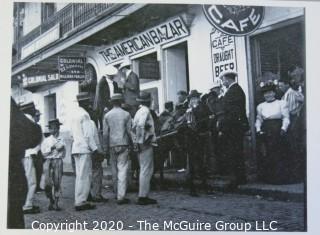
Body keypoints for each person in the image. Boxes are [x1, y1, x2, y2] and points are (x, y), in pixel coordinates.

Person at [8, 98, 42, 228]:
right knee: (31, 181)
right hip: (18, 166)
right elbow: (34, 136)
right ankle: (28, 205)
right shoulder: (22, 118)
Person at [255, 82, 290, 184]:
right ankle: (270, 179)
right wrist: (258, 129)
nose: (268, 95)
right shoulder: (261, 106)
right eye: (266, 93)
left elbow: (286, 117)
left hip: (278, 129)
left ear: (274, 93)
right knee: (268, 153)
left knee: (279, 153)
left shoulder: (281, 103)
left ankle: (281, 178)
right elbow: (259, 119)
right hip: (266, 129)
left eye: (270, 93)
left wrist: (283, 128)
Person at [70, 92, 101, 211]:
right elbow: (88, 136)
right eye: (88, 101)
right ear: (85, 102)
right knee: (85, 176)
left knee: (79, 175)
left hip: (75, 148)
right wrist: (95, 149)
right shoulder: (85, 115)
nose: (89, 103)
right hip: (84, 148)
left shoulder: (74, 114)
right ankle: (81, 201)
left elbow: (71, 134)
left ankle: (79, 199)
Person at [219, 72, 249, 188]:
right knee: (236, 152)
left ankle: (237, 178)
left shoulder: (234, 91)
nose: (223, 83)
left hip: (233, 127)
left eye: (223, 80)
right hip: (234, 126)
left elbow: (230, 112)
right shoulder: (234, 90)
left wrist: (223, 126)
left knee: (234, 153)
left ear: (227, 79)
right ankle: (239, 178)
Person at [103, 93, 133, 205]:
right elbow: (130, 131)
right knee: (122, 169)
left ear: (112, 102)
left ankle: (116, 193)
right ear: (121, 102)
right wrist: (134, 143)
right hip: (124, 144)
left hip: (112, 145)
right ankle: (121, 196)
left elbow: (105, 134)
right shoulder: (126, 114)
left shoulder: (107, 115)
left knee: (114, 170)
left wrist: (105, 148)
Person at [132, 91, 158, 205]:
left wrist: (137, 142)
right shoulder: (145, 111)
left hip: (140, 143)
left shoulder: (139, 111)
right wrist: (142, 140)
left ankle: (143, 195)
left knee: (144, 169)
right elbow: (140, 126)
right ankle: (143, 196)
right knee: (146, 170)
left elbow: (134, 127)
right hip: (145, 144)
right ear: (148, 101)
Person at [185, 90, 211, 196]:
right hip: (192, 139)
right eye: (192, 98)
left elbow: (207, 118)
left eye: (195, 98)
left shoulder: (203, 107)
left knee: (202, 163)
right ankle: (192, 188)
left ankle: (204, 186)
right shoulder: (189, 110)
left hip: (201, 138)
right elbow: (188, 124)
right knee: (192, 163)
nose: (194, 100)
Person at [20, 102, 42, 214]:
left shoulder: (19, 122)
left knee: (22, 181)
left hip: (20, 155)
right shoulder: (31, 123)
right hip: (28, 155)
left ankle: (23, 203)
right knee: (31, 181)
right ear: (31, 110)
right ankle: (28, 205)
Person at [40, 119, 65, 211]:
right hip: (48, 161)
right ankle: (51, 200)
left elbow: (61, 149)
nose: (54, 130)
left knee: (57, 182)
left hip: (58, 160)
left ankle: (56, 202)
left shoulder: (62, 139)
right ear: (49, 130)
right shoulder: (46, 140)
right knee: (47, 183)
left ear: (58, 128)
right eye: (52, 128)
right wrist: (52, 148)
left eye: (56, 128)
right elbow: (44, 153)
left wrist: (54, 148)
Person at [87, 119, 108, 203]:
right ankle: (96, 195)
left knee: (86, 174)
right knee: (97, 172)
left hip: (82, 150)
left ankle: (87, 194)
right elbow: (95, 138)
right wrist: (100, 151)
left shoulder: (75, 121)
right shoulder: (91, 123)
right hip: (93, 150)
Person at [93, 64, 120, 129]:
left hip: (112, 105)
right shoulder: (101, 83)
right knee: (105, 124)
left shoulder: (114, 83)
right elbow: (99, 96)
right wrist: (104, 106)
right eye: (111, 75)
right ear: (108, 75)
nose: (113, 76)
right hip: (103, 107)